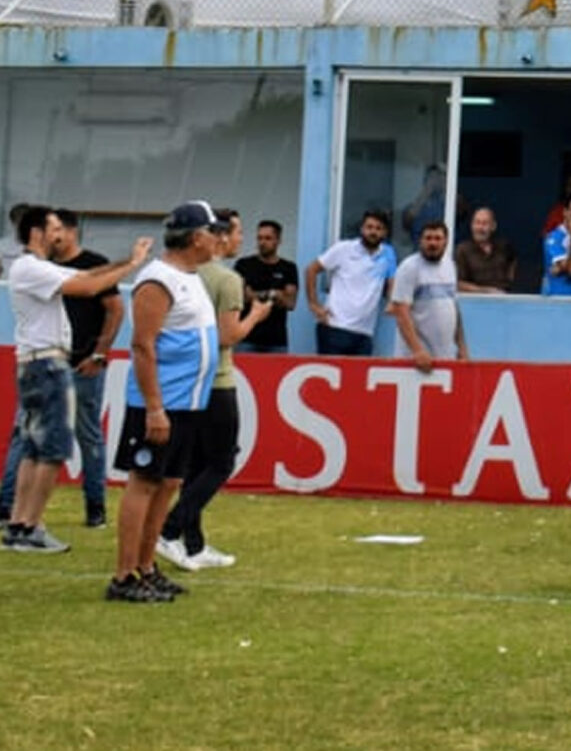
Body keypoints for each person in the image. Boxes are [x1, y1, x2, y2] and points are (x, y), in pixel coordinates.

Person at [0, 210, 148, 554]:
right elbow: (91, 286)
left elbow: (88, 273)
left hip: (37, 363)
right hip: (47, 364)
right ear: (37, 232)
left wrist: (127, 260)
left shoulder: (34, 268)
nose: (59, 235)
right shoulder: (31, 267)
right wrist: (135, 264)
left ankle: (18, 525)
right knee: (52, 451)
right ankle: (30, 527)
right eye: (53, 229)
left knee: (34, 449)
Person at [109, 202, 227, 603]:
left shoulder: (188, 276)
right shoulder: (158, 280)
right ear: (196, 237)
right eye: (214, 232)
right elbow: (142, 345)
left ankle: (146, 565)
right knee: (144, 483)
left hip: (187, 402)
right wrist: (154, 407)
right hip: (163, 402)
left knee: (170, 482)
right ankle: (124, 574)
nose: (219, 240)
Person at [158, 210, 271, 573]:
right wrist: (255, 316)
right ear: (220, 237)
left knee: (195, 465)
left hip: (186, 382)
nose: (242, 240)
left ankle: (193, 544)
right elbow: (226, 337)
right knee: (221, 461)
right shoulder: (226, 280)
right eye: (238, 233)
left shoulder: (183, 275)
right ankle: (171, 528)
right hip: (217, 379)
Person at [305, 209, 396, 356]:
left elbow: (392, 280)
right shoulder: (344, 249)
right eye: (369, 227)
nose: (373, 232)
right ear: (362, 229)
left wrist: (392, 302)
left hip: (364, 333)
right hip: (334, 327)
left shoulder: (388, 254)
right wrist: (314, 304)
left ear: (385, 233)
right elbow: (311, 270)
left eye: (378, 228)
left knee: (357, 378)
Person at [386, 220, 467, 373]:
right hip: (415, 362)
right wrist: (417, 351)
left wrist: (462, 347)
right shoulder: (409, 267)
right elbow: (401, 313)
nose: (432, 243)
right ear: (420, 241)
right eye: (428, 238)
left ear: (446, 241)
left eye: (437, 238)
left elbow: (454, 309)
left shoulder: (450, 266)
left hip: (444, 359)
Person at [233, 219, 300, 353]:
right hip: (247, 337)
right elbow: (240, 297)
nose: (262, 243)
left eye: (268, 238)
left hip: (276, 340)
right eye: (259, 238)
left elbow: (290, 302)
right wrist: (274, 294)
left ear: (278, 241)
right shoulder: (244, 265)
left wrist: (255, 295)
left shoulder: (288, 268)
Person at [454, 206, 518, 294]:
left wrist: (509, 282)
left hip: (504, 300)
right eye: (477, 223)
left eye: (484, 223)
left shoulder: (503, 247)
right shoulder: (462, 250)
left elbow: (513, 261)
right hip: (474, 302)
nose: (480, 228)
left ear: (493, 226)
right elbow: (457, 283)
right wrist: (486, 291)